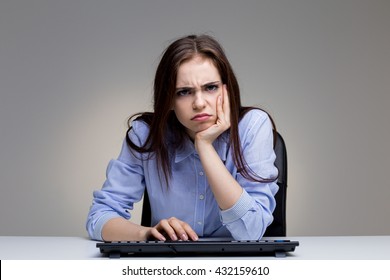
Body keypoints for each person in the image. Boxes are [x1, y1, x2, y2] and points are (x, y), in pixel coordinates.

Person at [86, 34, 278, 242]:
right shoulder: (146, 135)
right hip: (168, 264)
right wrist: (146, 234)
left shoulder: (252, 126)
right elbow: (99, 217)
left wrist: (204, 146)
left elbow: (250, 231)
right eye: (184, 92)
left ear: (227, 89)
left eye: (210, 87)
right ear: (168, 98)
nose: (199, 103)